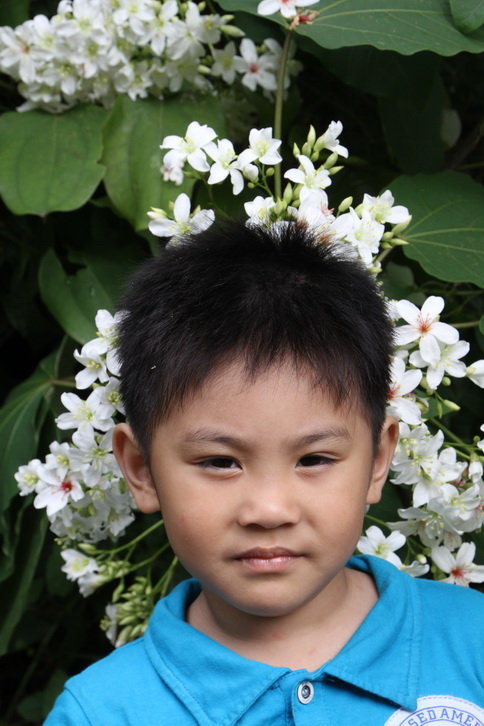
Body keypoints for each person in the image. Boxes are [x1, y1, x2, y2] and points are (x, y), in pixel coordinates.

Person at [45, 221, 483, 725]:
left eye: (314, 459)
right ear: (141, 471)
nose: (270, 510)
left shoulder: (474, 640)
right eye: (219, 462)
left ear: (378, 460)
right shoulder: (100, 713)